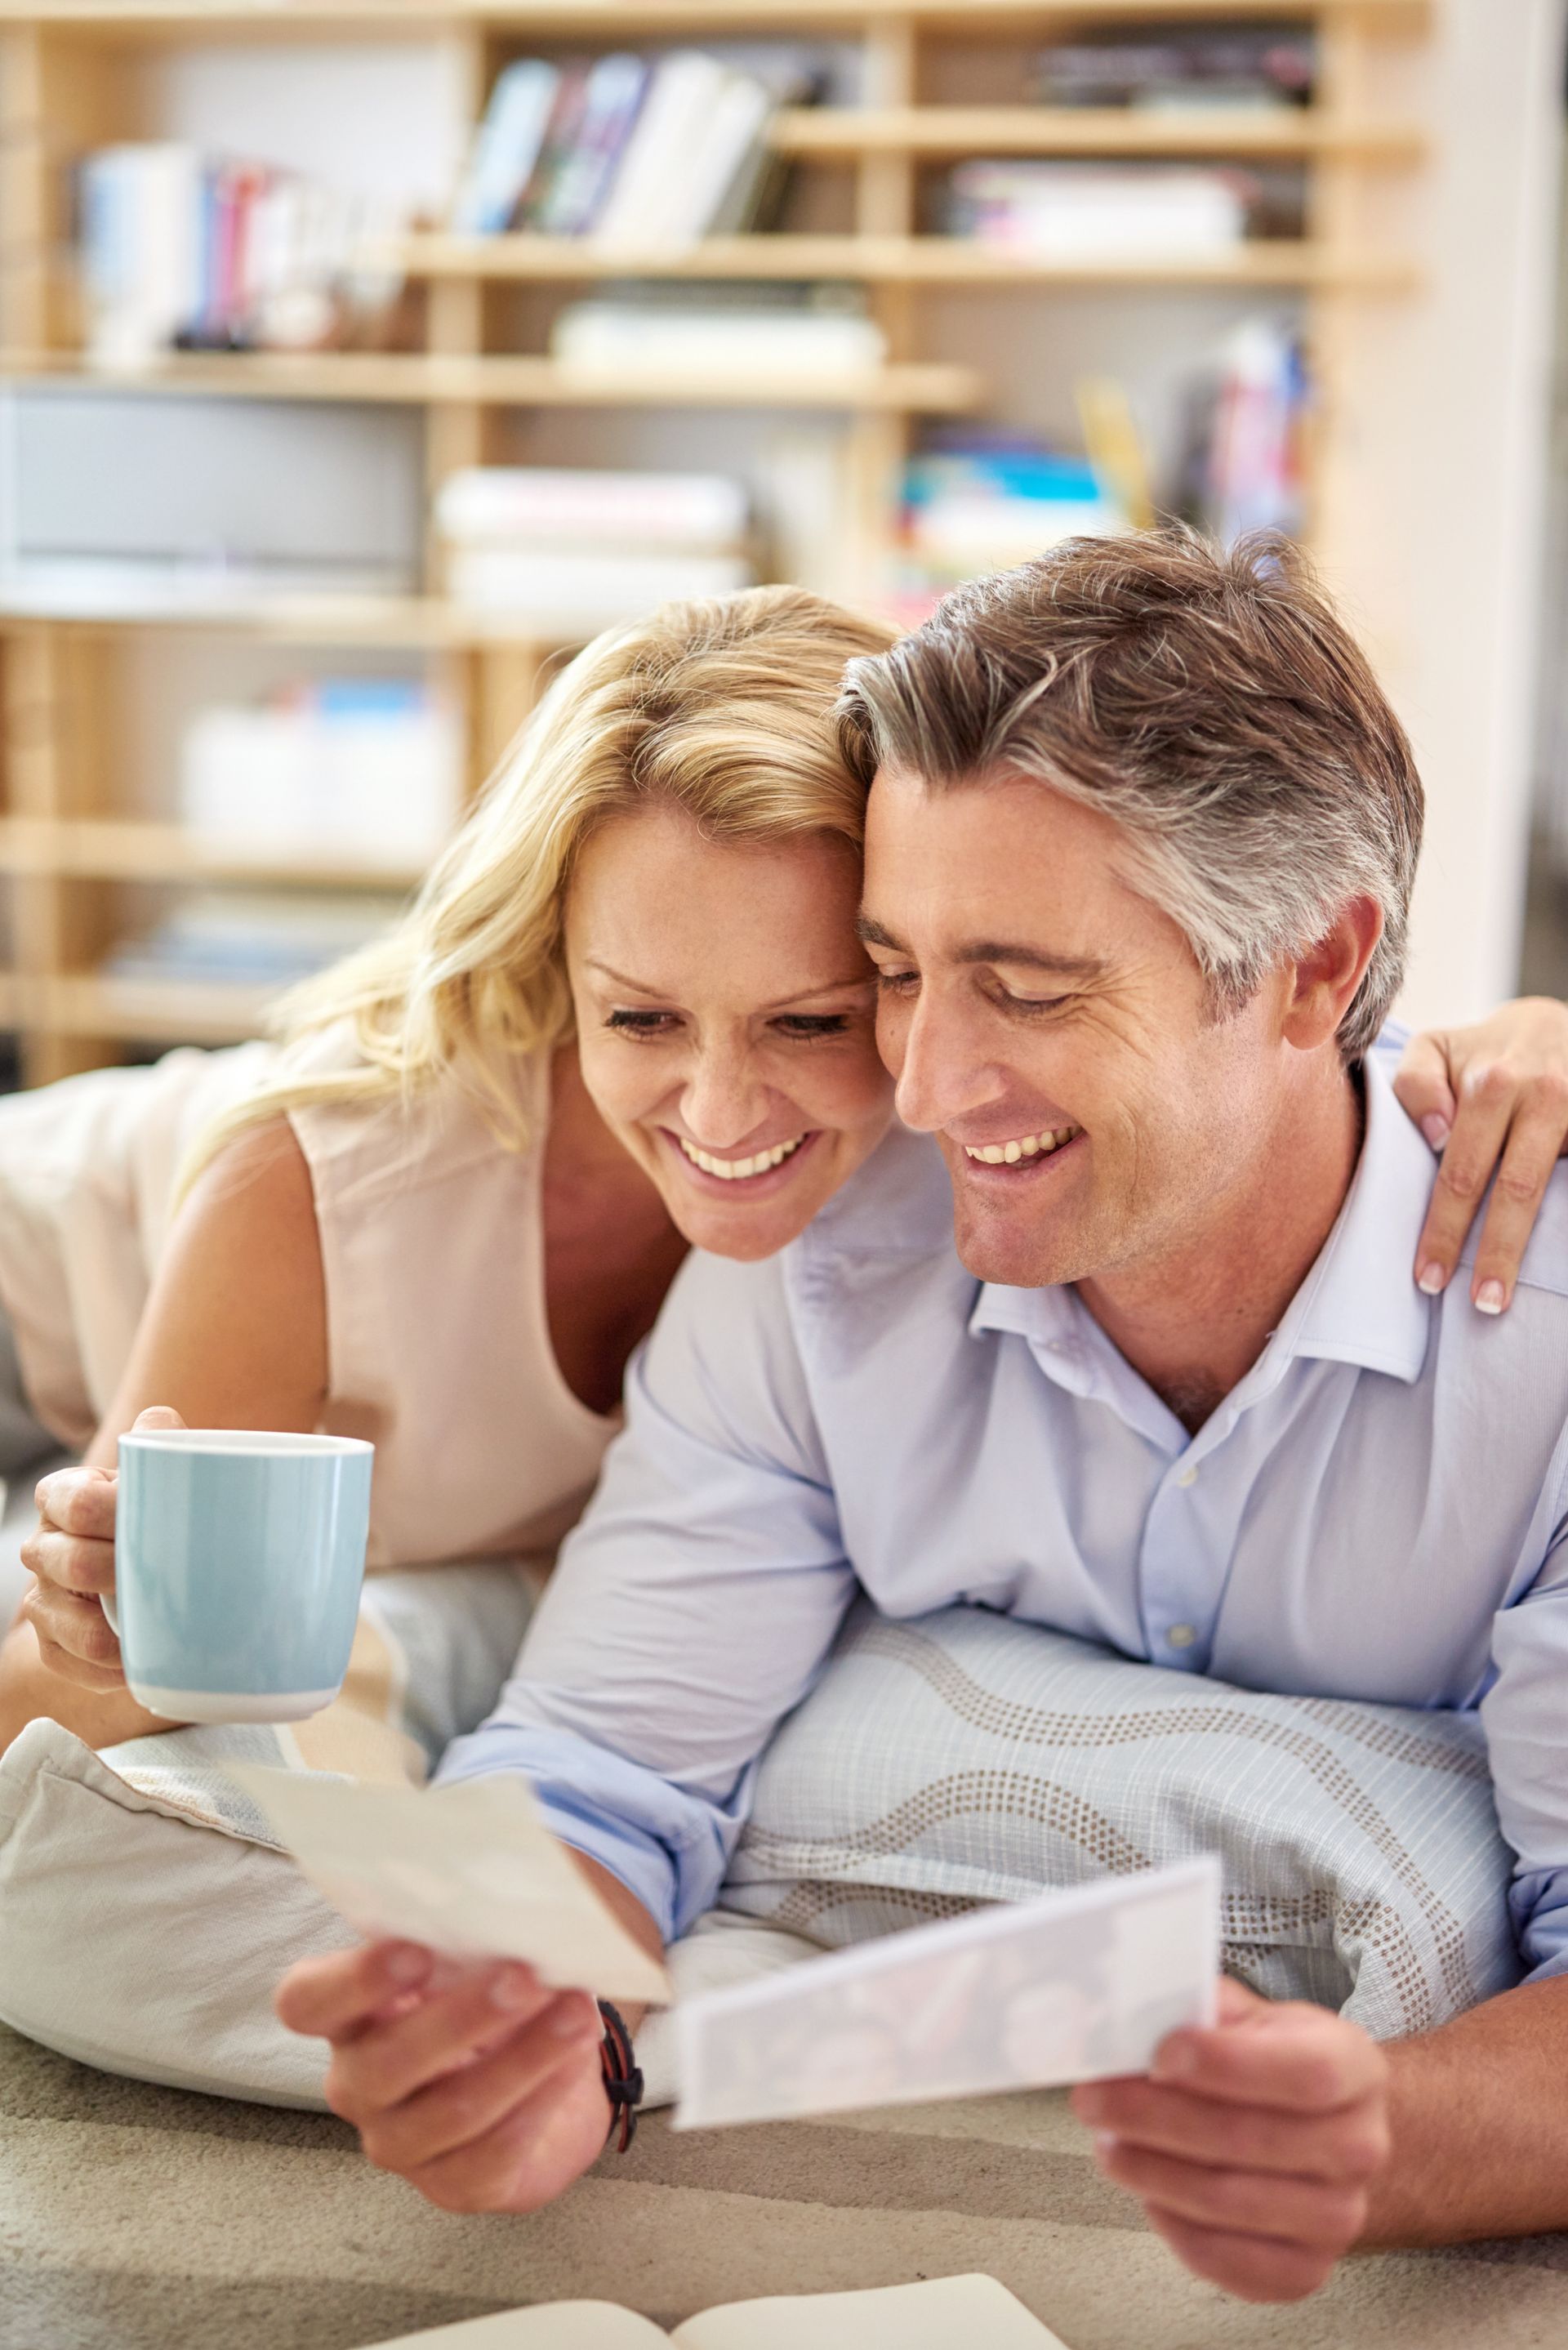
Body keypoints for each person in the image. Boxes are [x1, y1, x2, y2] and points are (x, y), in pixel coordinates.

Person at [274, 530, 1568, 2305]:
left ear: (1314, 971)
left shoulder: (1542, 1346)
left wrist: (1385, 2129)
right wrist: (525, 2008)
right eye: (892, 966)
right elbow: (608, 1761)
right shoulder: (817, 1268)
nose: (924, 1081)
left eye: (1027, 987)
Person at [8, 581, 1550, 1759]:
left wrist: (1523, 1037)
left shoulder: (947, 1138)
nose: (725, 1108)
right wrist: (100, 1649)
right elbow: (96, 1679)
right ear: (561, 972)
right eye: (640, 1015)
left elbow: (1231, 1019)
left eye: (818, 1014)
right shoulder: (320, 1184)